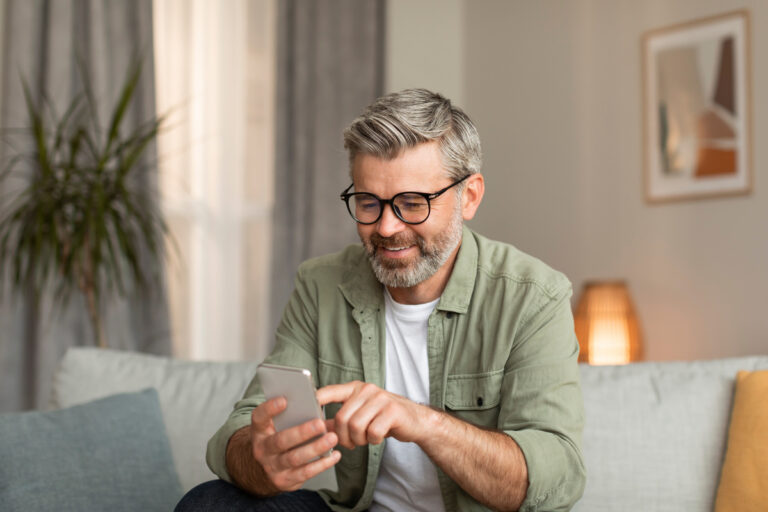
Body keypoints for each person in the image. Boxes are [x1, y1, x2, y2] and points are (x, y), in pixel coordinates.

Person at [176, 89, 586, 512]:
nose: (387, 227)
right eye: (369, 202)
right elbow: (241, 430)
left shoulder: (533, 297)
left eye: (413, 203)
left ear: (470, 196)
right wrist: (260, 458)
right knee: (210, 503)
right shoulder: (321, 285)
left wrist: (421, 422)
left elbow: (556, 476)